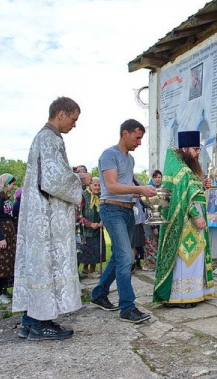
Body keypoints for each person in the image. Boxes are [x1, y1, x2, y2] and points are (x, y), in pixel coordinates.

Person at [12, 96, 91, 340]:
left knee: (39, 265)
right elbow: (53, 181)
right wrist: (80, 179)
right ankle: (40, 323)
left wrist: (71, 172)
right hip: (46, 217)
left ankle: (29, 320)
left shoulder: (43, 137)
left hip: (39, 212)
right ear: (61, 114)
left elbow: (50, 174)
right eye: (73, 119)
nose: (74, 125)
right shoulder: (50, 138)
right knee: (46, 264)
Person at [90, 119, 157, 324]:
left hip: (127, 210)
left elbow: (128, 186)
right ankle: (127, 307)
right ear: (125, 133)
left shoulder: (130, 160)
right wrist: (139, 190)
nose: (139, 142)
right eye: (137, 138)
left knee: (118, 257)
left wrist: (143, 194)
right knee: (126, 257)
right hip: (111, 209)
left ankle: (99, 294)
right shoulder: (109, 155)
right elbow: (111, 186)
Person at [153, 131, 215, 308]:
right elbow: (181, 197)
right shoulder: (181, 170)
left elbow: (192, 194)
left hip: (192, 223)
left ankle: (192, 294)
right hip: (185, 223)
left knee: (193, 259)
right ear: (185, 148)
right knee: (184, 260)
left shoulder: (187, 169)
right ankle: (179, 297)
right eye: (195, 149)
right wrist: (197, 216)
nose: (197, 153)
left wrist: (202, 186)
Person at [0, 174, 17, 304]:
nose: (13, 187)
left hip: (9, 234)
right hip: (0, 235)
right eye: (12, 184)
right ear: (5, 184)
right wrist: (1, 238)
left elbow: (10, 215)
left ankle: (4, 290)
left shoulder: (5, 198)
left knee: (7, 263)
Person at [78, 177, 105, 278]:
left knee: (96, 251)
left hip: (98, 229)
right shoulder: (83, 195)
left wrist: (103, 221)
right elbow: (78, 215)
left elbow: (104, 210)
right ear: (90, 185)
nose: (97, 187)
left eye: (99, 185)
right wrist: (90, 224)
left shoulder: (101, 196)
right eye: (95, 185)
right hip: (84, 230)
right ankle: (78, 273)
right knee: (83, 252)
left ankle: (92, 271)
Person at [143, 170, 162, 271]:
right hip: (151, 221)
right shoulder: (149, 190)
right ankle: (151, 264)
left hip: (162, 220)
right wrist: (154, 226)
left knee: (160, 242)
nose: (158, 179)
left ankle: (160, 263)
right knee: (151, 243)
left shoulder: (163, 189)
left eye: (159, 177)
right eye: (155, 177)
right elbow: (150, 208)